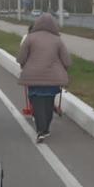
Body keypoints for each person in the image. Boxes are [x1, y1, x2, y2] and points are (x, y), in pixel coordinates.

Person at [17, 13, 71, 142]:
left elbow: (21, 58)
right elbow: (67, 61)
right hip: (52, 79)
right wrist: (63, 70)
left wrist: (25, 66)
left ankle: (40, 129)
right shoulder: (57, 40)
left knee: (37, 103)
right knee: (48, 103)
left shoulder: (30, 38)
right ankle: (45, 128)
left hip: (33, 77)